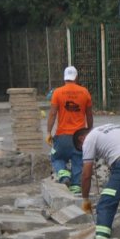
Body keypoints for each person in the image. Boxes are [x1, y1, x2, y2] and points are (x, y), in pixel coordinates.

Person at [46, 66, 93, 194]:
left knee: (56, 157)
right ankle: (76, 187)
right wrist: (89, 131)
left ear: (65, 78)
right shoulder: (84, 92)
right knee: (78, 160)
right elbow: (89, 114)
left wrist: (49, 132)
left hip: (62, 136)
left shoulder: (58, 92)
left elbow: (52, 113)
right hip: (79, 137)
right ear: (76, 77)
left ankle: (63, 173)